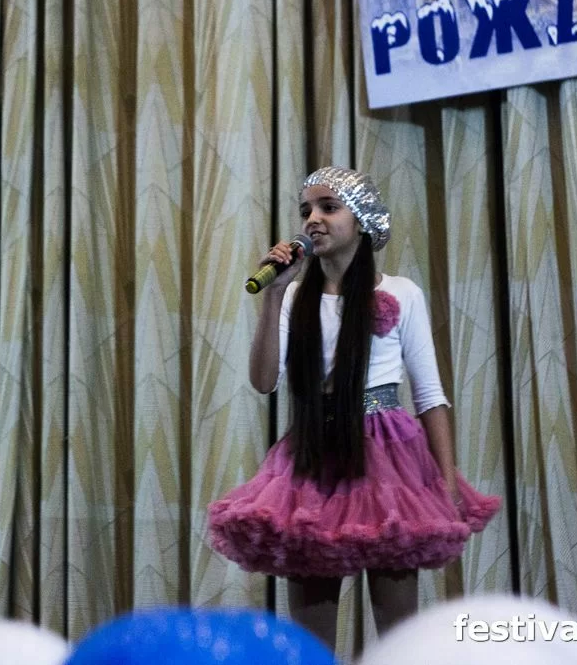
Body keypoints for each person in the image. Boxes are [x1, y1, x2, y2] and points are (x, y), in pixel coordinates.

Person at [207, 166, 500, 650]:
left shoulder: (401, 293)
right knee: (311, 637)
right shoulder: (294, 295)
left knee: (398, 630)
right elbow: (263, 380)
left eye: (328, 207)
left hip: (389, 460)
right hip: (315, 455)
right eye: (305, 210)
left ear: (361, 220)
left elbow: (430, 395)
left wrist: (447, 484)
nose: (313, 219)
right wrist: (274, 295)